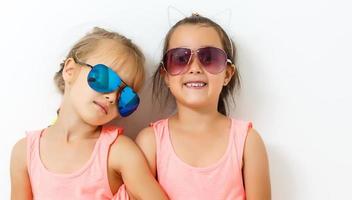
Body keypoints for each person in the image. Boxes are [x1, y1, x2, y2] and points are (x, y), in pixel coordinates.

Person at [10, 27, 168, 200]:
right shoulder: (24, 152)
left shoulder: (119, 152)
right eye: (105, 79)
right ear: (70, 70)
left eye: (126, 96)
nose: (112, 97)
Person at [136, 14, 271, 200]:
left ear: (227, 74)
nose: (195, 68)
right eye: (180, 58)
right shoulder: (150, 141)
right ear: (166, 74)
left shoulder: (248, 142)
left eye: (209, 58)